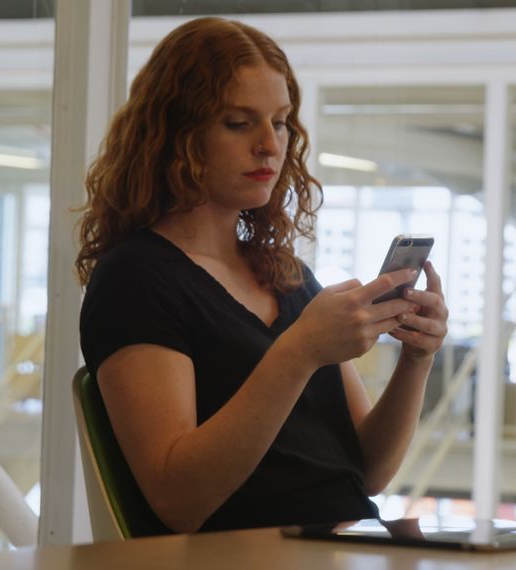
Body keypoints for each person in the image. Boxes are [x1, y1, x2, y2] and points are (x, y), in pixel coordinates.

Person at [75, 17, 448, 534]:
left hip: (344, 547)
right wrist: (299, 352)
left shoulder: (288, 277)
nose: (270, 145)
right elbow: (177, 500)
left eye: (279, 122)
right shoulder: (135, 280)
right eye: (237, 122)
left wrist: (416, 359)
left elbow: (367, 472)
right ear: (175, 135)